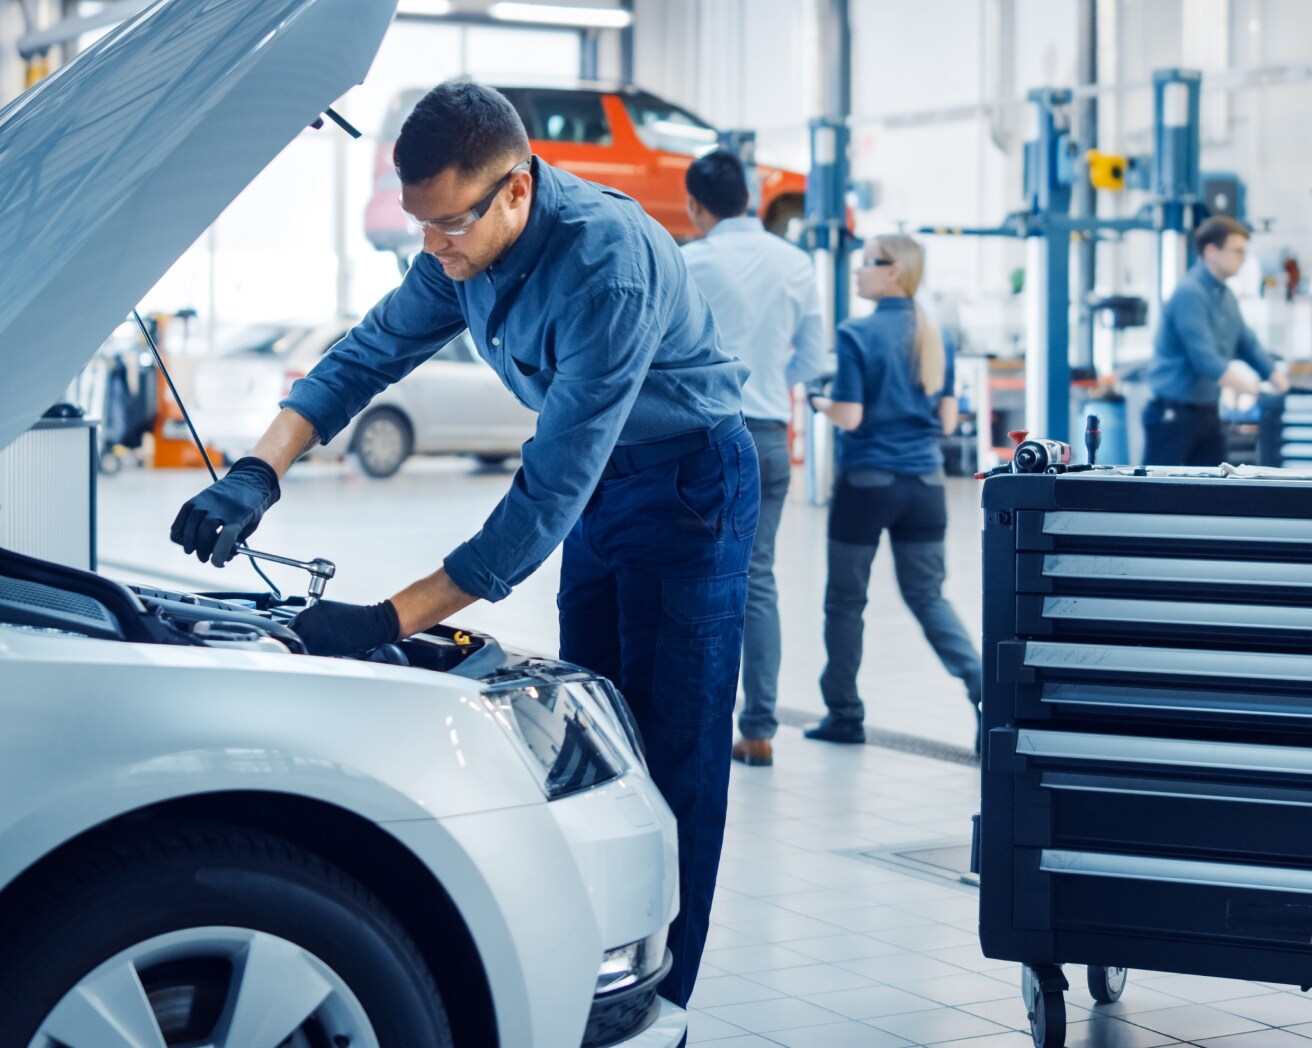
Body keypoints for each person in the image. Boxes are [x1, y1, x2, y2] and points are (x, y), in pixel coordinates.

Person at [169, 81, 759, 1010]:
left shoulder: (606, 264)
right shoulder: (462, 248)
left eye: (449, 226)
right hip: (612, 484)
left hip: (690, 488)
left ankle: (662, 1007)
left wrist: (382, 621)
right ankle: (606, 982)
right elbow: (368, 354)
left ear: (516, 190)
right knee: (600, 737)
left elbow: (543, 498)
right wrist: (258, 471)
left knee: (675, 757)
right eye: (421, 228)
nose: (435, 250)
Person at [804, 234, 982, 751]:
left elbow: (852, 416)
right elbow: (947, 419)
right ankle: (981, 685)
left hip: (867, 484)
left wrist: (818, 403)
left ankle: (844, 713)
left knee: (844, 602)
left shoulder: (857, 333)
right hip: (925, 485)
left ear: (894, 271)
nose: (857, 272)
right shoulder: (935, 334)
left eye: (866, 264)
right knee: (928, 596)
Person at [681, 150, 826, 769]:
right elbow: (813, 364)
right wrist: (768, 382)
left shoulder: (687, 263)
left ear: (694, 205)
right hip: (768, 436)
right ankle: (759, 728)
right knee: (756, 579)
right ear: (751, 198)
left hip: (702, 439)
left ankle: (695, 722)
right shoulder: (796, 264)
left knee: (691, 579)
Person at [1144, 215, 1289, 466]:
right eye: (1237, 251)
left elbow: (1246, 343)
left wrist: (1274, 375)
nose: (1243, 258)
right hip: (1173, 415)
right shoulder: (1190, 293)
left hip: (1207, 412)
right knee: (1159, 496)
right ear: (1212, 251)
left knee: (1213, 492)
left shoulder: (1225, 295)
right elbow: (1205, 358)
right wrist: (1251, 388)